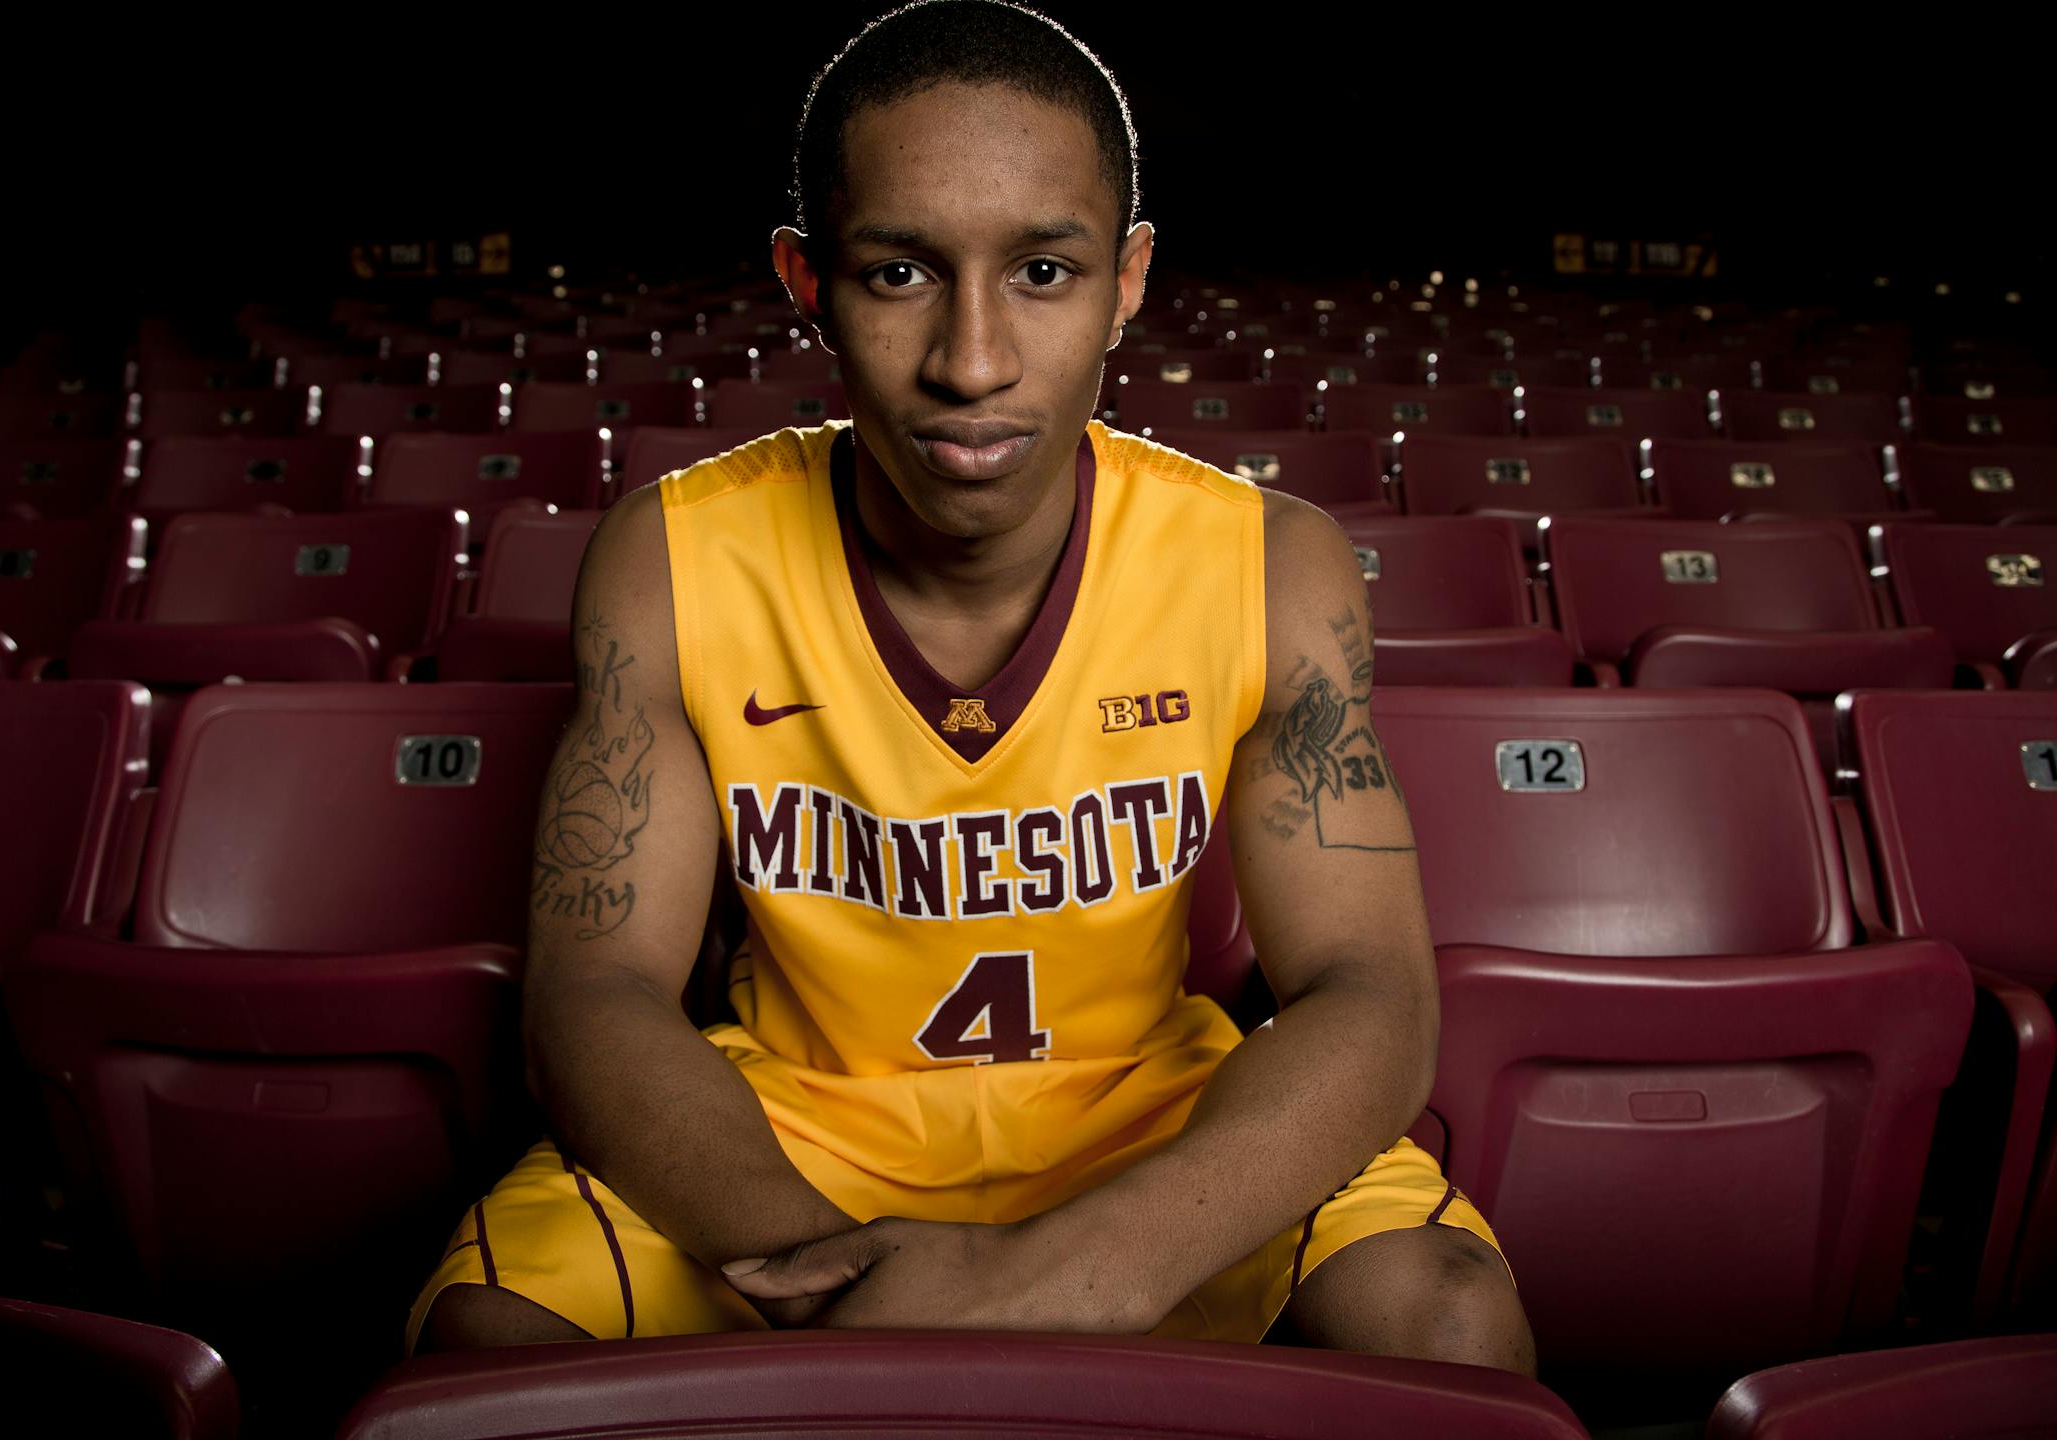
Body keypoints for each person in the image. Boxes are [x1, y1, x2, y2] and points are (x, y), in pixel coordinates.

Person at [410, 0, 1534, 1374]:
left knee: (1450, 1323)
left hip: (1144, 1115)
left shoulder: (1267, 563)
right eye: (898, 275)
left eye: (1045, 274)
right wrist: (831, 1270)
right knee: (486, 1347)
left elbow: (1371, 987)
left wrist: (1100, 1263)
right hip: (792, 1119)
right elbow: (594, 991)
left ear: (1129, 281)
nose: (974, 360)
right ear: (805, 279)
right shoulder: (671, 558)